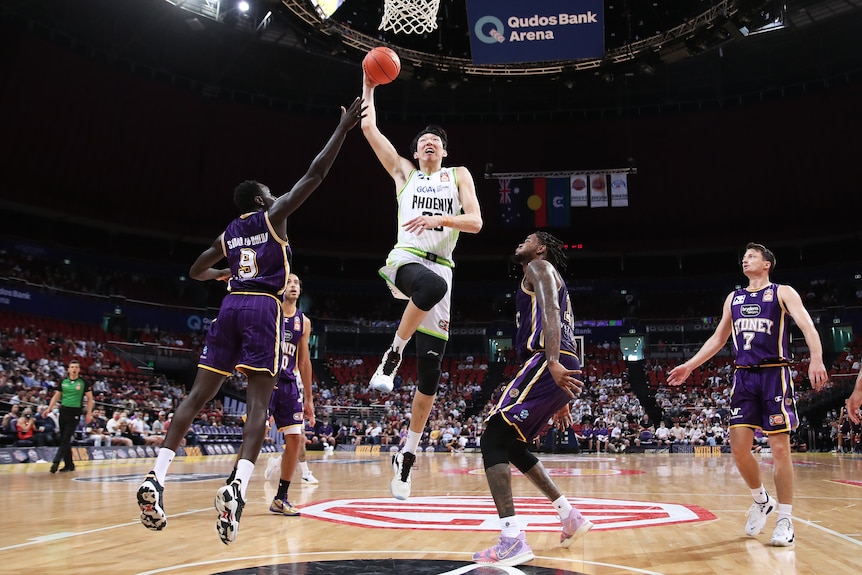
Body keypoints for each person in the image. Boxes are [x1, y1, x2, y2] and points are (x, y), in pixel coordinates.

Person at [136, 97, 365, 545]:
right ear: (262, 199)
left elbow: (195, 270)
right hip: (263, 308)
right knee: (259, 403)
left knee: (198, 395)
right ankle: (237, 487)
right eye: (270, 190)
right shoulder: (273, 216)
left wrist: (222, 273)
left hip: (229, 306)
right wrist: (342, 130)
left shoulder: (230, 232)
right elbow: (315, 174)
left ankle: (156, 474)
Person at [360, 71, 483, 500]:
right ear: (415, 151)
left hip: (444, 267)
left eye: (436, 140)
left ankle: (407, 457)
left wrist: (438, 219)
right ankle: (393, 355)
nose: (429, 143)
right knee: (427, 287)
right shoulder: (404, 176)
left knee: (430, 377)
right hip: (406, 261)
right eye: (423, 141)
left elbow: (476, 222)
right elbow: (369, 128)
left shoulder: (459, 176)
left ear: (444, 152)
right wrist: (369, 84)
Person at [667, 242, 827, 547]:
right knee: (738, 447)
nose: (745, 259)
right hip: (744, 376)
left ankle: (785, 520)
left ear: (767, 264)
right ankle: (761, 499)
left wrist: (816, 358)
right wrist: (689, 365)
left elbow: (807, 326)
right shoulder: (734, 298)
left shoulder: (783, 292)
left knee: (780, 448)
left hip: (774, 374)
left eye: (752, 256)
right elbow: (718, 339)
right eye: (744, 256)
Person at [473, 232, 593, 566]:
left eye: (527, 239)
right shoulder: (545, 272)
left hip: (546, 359)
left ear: (539, 248)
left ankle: (511, 539)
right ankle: (570, 517)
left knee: (493, 438)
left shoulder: (539, 265)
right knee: (512, 446)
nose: (519, 242)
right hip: (557, 361)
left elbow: (551, 310)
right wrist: (560, 392)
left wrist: (552, 362)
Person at [265, 273, 318, 517]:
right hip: (265, 380)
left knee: (296, 438)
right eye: (289, 282)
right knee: (255, 436)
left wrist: (309, 399)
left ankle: (281, 497)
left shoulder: (303, 322)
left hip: (288, 383)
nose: (293, 285)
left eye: (297, 282)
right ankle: (235, 486)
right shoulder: (269, 310)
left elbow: (304, 362)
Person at [44, 359, 93, 473]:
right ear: (68, 369)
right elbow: (56, 396)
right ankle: (69, 465)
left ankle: (56, 462)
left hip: (75, 412)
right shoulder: (63, 381)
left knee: (66, 437)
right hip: (63, 411)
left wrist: (89, 413)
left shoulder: (84, 382)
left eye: (76, 367)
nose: (74, 369)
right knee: (63, 439)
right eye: (72, 367)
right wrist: (49, 408)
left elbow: (90, 399)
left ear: (79, 369)